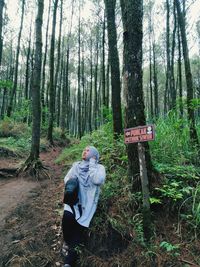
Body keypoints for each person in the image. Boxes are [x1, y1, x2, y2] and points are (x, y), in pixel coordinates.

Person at [62, 146, 106, 267]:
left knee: (78, 232)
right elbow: (66, 178)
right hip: (73, 201)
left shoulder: (99, 168)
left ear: (93, 155)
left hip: (87, 205)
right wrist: (73, 182)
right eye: (84, 150)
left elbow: (97, 180)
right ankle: (66, 241)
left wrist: (92, 164)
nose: (84, 151)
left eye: (87, 151)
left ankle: (68, 263)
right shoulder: (76, 165)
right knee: (67, 218)